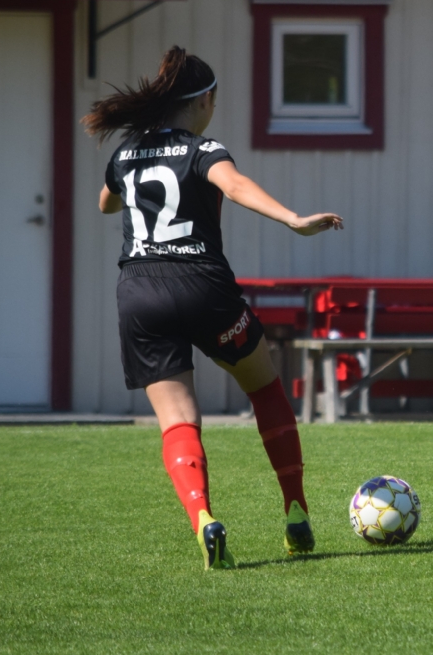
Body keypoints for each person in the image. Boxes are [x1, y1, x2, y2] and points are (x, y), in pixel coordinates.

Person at [82, 46, 343, 569]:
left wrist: (132, 174)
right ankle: (295, 510)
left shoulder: (126, 154)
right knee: (264, 387)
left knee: (178, 419)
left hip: (140, 292)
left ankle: (203, 517)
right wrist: (292, 219)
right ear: (203, 101)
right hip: (202, 285)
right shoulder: (204, 149)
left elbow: (106, 202)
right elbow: (236, 185)